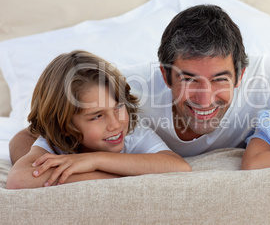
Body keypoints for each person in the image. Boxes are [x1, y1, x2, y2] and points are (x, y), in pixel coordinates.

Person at [9, 4, 270, 162]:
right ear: (164, 74)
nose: (204, 98)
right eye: (187, 79)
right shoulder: (125, 95)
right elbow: (26, 139)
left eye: (220, 80)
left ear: (242, 75)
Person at [6, 50, 191, 189]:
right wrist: (116, 175)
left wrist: (95, 160)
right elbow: (18, 179)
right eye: (97, 116)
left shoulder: (133, 133)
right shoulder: (54, 143)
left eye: (118, 107)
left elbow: (178, 166)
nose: (115, 124)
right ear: (65, 126)